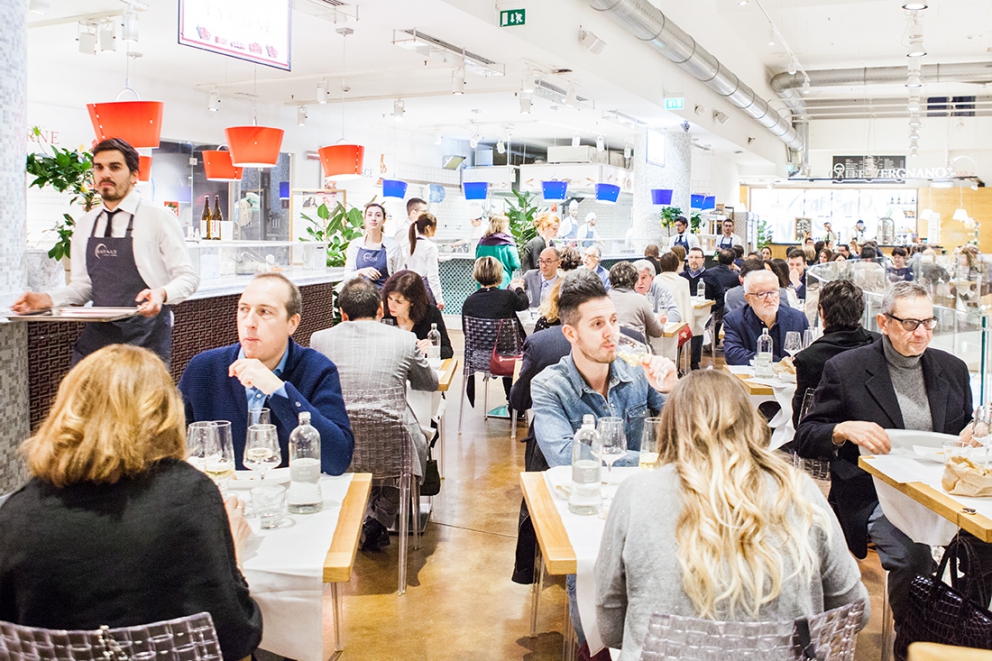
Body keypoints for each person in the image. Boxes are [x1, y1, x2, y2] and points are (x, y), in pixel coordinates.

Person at [0, 345, 262, 661]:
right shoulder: (188, 497)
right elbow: (235, 637)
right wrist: (232, 553)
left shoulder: (16, 515)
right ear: (164, 414)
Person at [595, 370, 869, 661]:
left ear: (671, 426)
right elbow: (855, 611)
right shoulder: (799, 491)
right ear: (750, 421)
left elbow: (610, 628)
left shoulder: (637, 494)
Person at [795, 282, 974, 628]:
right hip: (877, 493)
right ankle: (913, 639)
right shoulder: (846, 369)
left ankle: (961, 630)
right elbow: (806, 436)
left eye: (928, 322)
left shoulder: (951, 369)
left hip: (942, 491)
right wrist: (842, 429)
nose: (921, 333)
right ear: (883, 322)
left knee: (984, 549)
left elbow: (964, 426)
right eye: (910, 323)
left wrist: (974, 433)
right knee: (913, 556)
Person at [12, 138, 199, 366]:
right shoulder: (86, 224)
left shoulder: (158, 218)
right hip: (98, 336)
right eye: (99, 167)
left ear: (134, 175)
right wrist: (47, 299)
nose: (105, 174)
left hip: (145, 336)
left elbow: (188, 278)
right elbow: (83, 288)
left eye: (115, 167)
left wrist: (161, 293)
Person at [179, 273, 354, 475]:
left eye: (264, 312)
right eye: (244, 309)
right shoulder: (204, 369)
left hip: (288, 499)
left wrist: (278, 390)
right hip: (220, 498)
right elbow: (165, 448)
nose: (249, 322)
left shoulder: (317, 370)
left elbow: (338, 459)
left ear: (292, 323)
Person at [310, 278, 438, 552]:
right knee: (405, 441)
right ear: (381, 310)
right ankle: (377, 520)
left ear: (342, 314)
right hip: (395, 446)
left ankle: (369, 519)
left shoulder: (319, 340)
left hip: (339, 446)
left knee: (370, 440)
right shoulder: (405, 340)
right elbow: (428, 383)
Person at [791, 280, 879, 427]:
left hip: (828, 439)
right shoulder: (878, 344)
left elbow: (801, 418)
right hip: (876, 434)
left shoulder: (809, 357)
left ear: (822, 311)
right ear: (860, 311)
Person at [462, 256, 529, 404]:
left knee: (507, 345)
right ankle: (514, 399)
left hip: (479, 358)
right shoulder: (507, 296)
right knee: (513, 345)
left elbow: (466, 332)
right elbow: (523, 304)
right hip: (508, 359)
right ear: (499, 275)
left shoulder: (469, 301)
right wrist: (518, 288)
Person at [723, 269, 809, 365]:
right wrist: (776, 361)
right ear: (748, 299)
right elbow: (733, 355)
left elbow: (808, 353)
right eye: (761, 294)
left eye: (773, 292)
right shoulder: (735, 320)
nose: (769, 299)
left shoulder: (798, 318)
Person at [382, 270, 453, 359]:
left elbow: (448, 351)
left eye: (399, 302)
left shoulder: (430, 313)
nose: (391, 305)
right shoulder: (383, 314)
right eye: (389, 298)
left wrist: (432, 349)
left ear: (412, 302)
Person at [680, 247, 724, 369]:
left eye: (697, 257)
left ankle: (694, 363)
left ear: (703, 260)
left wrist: (710, 309)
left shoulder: (711, 277)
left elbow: (720, 298)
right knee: (677, 325)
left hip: (705, 315)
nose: (693, 260)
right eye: (691, 257)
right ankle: (677, 364)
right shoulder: (682, 277)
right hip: (685, 314)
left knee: (698, 325)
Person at [343, 202, 404, 289]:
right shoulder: (355, 245)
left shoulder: (393, 246)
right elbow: (346, 278)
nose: (373, 219)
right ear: (364, 219)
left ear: (384, 220)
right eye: (370, 215)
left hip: (384, 297)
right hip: (359, 296)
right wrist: (361, 272)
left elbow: (401, 277)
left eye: (378, 215)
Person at [608, 262, 665, 340]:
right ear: (634, 280)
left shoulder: (603, 299)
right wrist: (658, 320)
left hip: (610, 345)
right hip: (636, 348)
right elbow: (657, 332)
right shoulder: (640, 300)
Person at [405, 212, 444, 309]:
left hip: (410, 287)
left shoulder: (410, 245)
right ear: (428, 228)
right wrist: (439, 299)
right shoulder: (430, 247)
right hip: (424, 289)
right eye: (435, 226)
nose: (437, 228)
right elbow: (432, 276)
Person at [474, 214, 520, 288]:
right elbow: (516, 264)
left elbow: (477, 260)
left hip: (482, 281)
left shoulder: (482, 242)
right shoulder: (508, 243)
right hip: (502, 282)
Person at [709, 250, 742, 347]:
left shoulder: (708, 274)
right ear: (733, 262)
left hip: (711, 309)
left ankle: (713, 341)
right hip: (729, 311)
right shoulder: (736, 277)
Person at [655, 252, 692, 325]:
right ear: (677, 265)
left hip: (659, 322)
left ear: (660, 265)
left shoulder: (654, 280)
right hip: (678, 325)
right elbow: (686, 308)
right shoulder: (683, 282)